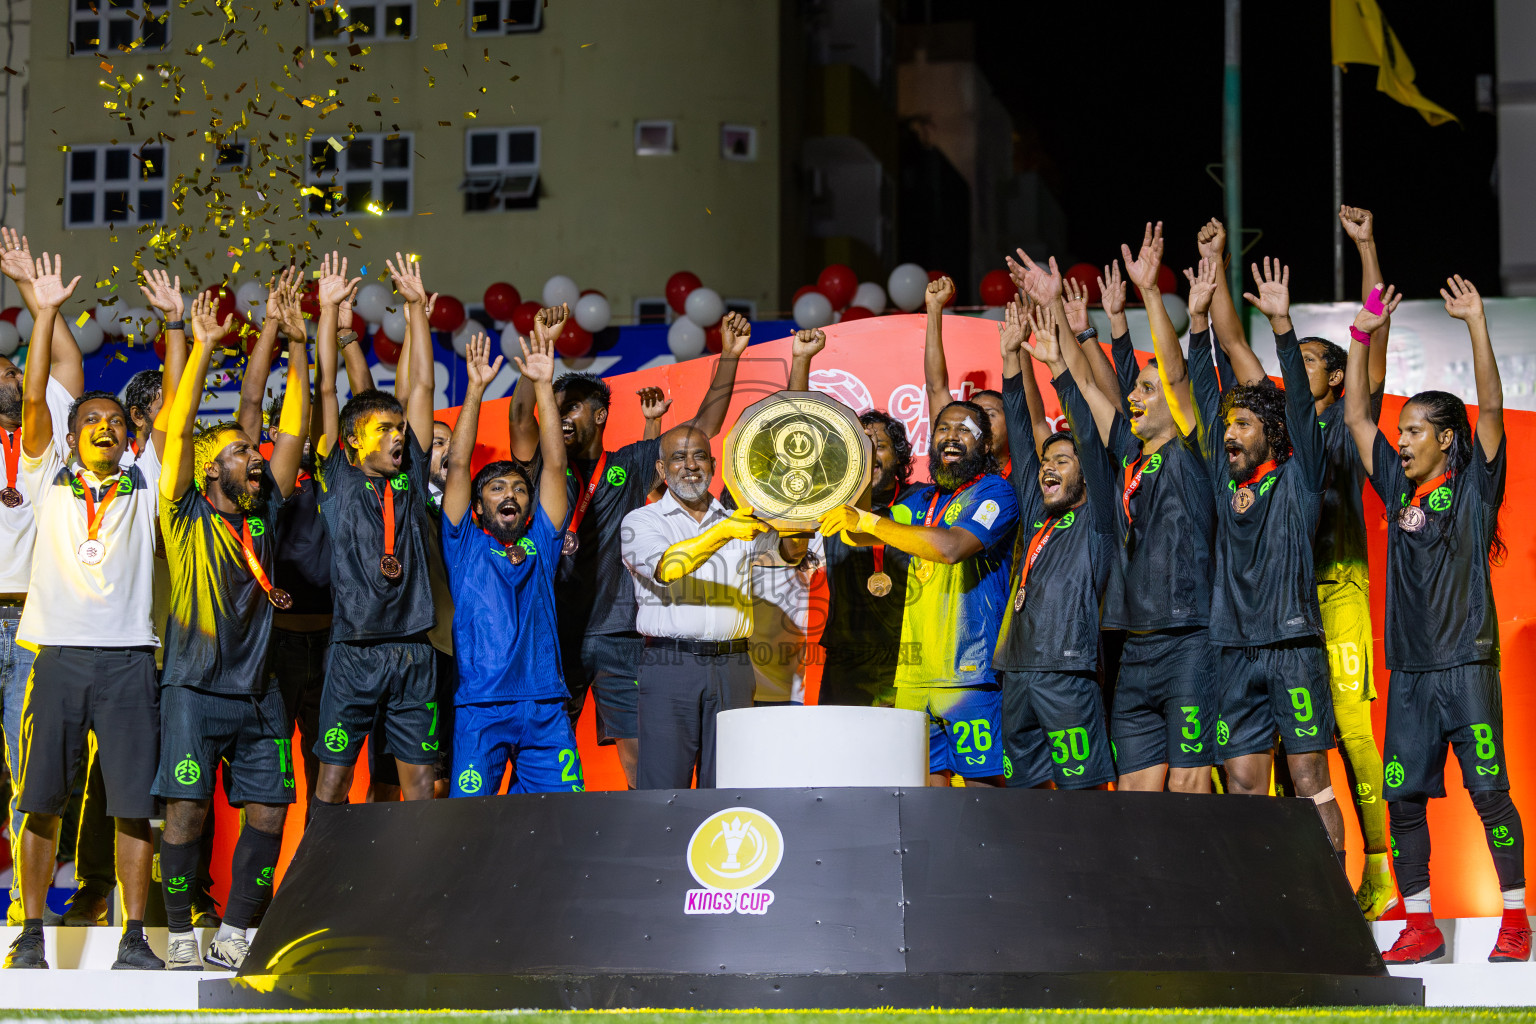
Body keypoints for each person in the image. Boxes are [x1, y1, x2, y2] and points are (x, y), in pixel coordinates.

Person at [1204, 209, 1395, 919]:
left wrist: (1366, 247)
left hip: (1334, 585)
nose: (1300, 365)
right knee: (1264, 753)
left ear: (1337, 374)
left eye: (1314, 358)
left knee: (1347, 727)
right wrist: (1217, 264)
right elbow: (1230, 340)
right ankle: (1281, 888)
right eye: (1299, 357)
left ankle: (1377, 868)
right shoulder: (1273, 421)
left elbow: (1374, 330)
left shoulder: (1348, 414)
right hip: (1269, 597)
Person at [1346, 277, 1529, 964]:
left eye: (1414, 431)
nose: (1401, 441)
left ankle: (1516, 920)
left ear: (1446, 439)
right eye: (1401, 432)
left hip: (1466, 667)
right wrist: (1364, 330)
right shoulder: (1397, 489)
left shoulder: (1476, 486)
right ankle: (1420, 925)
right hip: (1411, 674)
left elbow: (1493, 409)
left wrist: (1477, 322)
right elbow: (1356, 416)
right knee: (1403, 804)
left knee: (1490, 795)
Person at [510, 311, 752, 789]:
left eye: (570, 408)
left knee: (643, 763)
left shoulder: (631, 463)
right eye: (554, 407)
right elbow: (521, 417)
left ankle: (647, 832)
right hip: (552, 632)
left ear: (600, 415)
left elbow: (702, 427)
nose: (559, 416)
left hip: (619, 634)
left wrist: (728, 356)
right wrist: (538, 351)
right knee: (541, 755)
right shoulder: (544, 465)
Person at [5, 254, 162, 970]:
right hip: (58, 657)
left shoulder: (144, 479)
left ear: (130, 439)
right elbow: (36, 401)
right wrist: (41, 314)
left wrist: (176, 329)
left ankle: (133, 936)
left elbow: (175, 420)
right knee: (42, 801)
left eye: (114, 421)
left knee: (133, 805)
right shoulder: (47, 478)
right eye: (89, 419)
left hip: (130, 660)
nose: (102, 426)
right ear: (69, 439)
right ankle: (32, 931)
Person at [1164, 254, 1343, 859]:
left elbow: (1299, 410)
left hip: (1292, 646)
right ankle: (1262, 899)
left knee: (1309, 779)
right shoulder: (1225, 480)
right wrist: (1197, 325)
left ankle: (1335, 904)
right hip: (1232, 649)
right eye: (1228, 425)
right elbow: (1202, 389)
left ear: (1272, 431)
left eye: (1243, 424)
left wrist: (1283, 328)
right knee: (1242, 782)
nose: (1230, 433)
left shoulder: (1301, 476)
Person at [154, 286, 310, 971]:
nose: (258, 455)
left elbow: (294, 430)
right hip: (193, 688)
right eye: (243, 449)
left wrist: (296, 342)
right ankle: (178, 931)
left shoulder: (264, 510)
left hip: (260, 691)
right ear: (213, 468)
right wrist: (202, 347)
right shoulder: (183, 511)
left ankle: (237, 932)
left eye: (256, 449)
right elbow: (181, 426)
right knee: (186, 814)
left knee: (271, 812)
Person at [1053, 224, 1217, 794]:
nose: (1134, 396)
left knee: (1189, 788)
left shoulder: (1192, 453)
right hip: (1134, 645)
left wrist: (1148, 293)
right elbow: (1086, 385)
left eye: (1147, 390)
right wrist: (1061, 320)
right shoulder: (1129, 455)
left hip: (1189, 640)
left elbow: (1177, 374)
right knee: (1135, 798)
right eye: (1136, 389)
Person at [820, 400, 1019, 787]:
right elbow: (861, 534)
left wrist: (867, 521)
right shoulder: (922, 500)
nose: (951, 436)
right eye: (943, 428)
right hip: (914, 677)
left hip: (968, 673)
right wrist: (860, 465)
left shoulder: (996, 493)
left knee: (982, 796)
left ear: (986, 445)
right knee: (924, 796)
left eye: (964, 429)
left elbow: (951, 548)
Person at [308, 253, 440, 807]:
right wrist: (327, 311)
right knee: (333, 783)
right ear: (353, 442)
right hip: (354, 650)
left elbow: (423, 387)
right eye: (384, 429)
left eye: (399, 428)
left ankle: (417, 867)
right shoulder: (338, 478)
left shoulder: (409, 477)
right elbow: (326, 390)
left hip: (413, 649)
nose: (397, 436)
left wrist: (417, 309)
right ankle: (320, 865)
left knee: (420, 786)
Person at [620, 424, 811, 790]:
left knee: (728, 786)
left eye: (699, 457)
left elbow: (790, 552)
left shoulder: (738, 521)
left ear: (713, 464)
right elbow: (667, 567)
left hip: (734, 667)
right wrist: (724, 531)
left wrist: (800, 508)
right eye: (678, 457)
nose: (690, 465)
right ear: (661, 468)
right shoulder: (641, 521)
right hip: (670, 665)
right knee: (663, 788)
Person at [441, 329, 581, 796]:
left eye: (519, 489)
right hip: (481, 710)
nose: (511, 494)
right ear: (478, 506)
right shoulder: (464, 544)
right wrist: (476, 390)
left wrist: (543, 385)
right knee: (470, 827)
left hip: (546, 707)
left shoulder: (543, 539)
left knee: (561, 823)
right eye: (497, 488)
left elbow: (555, 466)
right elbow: (457, 465)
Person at [0, 230, 88, 926]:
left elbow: (60, 362)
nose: (8, 376)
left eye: (11, 368)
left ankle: (24, 917)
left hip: (32, 623)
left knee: (31, 771)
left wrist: (37, 298)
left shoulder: (48, 427)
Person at [993, 301, 1117, 790]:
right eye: (1048, 462)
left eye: (1063, 461)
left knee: (1081, 796)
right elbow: (1021, 434)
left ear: (1087, 473)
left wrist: (1058, 368)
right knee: (1023, 797)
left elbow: (1087, 433)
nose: (1048, 466)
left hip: (1068, 670)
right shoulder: (1038, 514)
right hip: (1016, 670)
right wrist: (1010, 357)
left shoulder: (1099, 516)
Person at [244, 266, 337, 811]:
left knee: (327, 777)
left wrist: (303, 341)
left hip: (331, 644)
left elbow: (323, 398)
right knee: (272, 782)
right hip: (275, 645)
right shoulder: (263, 488)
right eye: (285, 430)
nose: (294, 434)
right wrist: (274, 331)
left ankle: (326, 860)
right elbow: (251, 402)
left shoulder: (331, 475)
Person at [789, 331, 916, 708]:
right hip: (846, 658)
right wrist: (801, 361)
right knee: (843, 747)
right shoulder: (831, 502)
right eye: (861, 445)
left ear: (900, 455)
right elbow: (793, 435)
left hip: (909, 655)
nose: (871, 453)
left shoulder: (924, 500)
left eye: (881, 446)